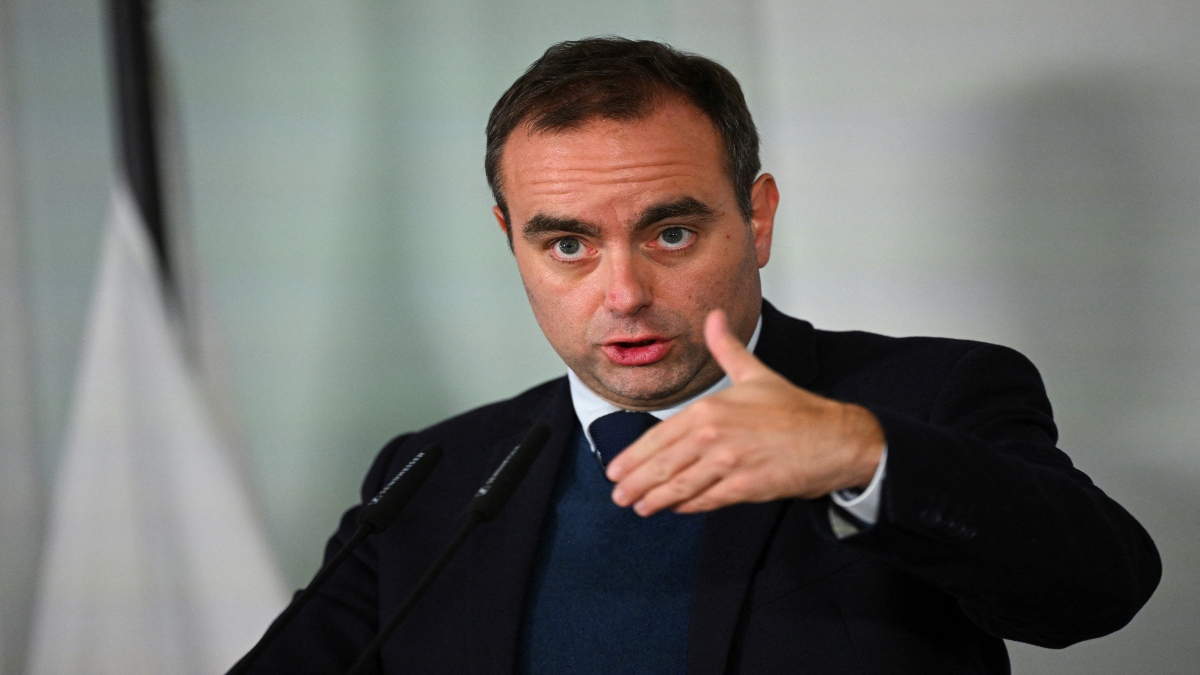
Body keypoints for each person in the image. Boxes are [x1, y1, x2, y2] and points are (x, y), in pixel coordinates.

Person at [245, 38, 1161, 674]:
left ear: (756, 218)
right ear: (509, 239)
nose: (623, 293)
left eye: (671, 233)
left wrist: (860, 452)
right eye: (567, 244)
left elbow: (1098, 590)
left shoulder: (923, 397)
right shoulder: (432, 477)